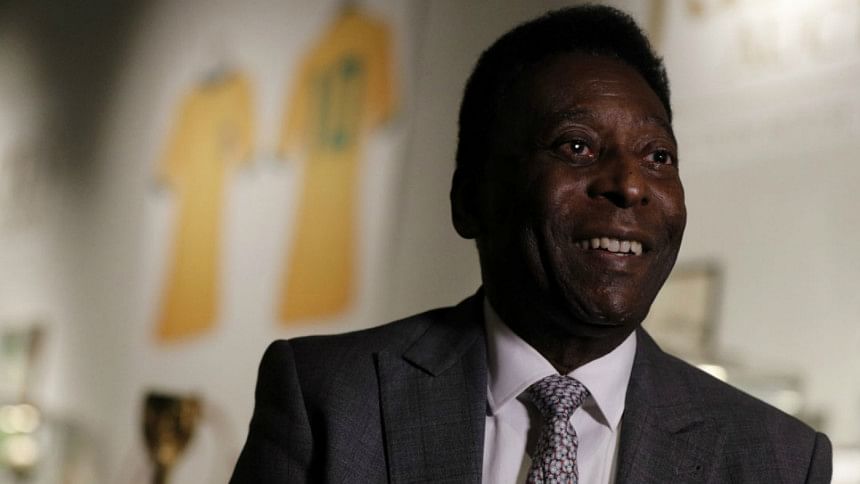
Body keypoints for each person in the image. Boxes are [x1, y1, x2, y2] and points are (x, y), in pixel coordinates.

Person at [230, 5, 832, 483]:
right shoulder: (329, 398)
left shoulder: (778, 461)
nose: (629, 185)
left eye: (658, 156)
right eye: (576, 146)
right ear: (470, 199)